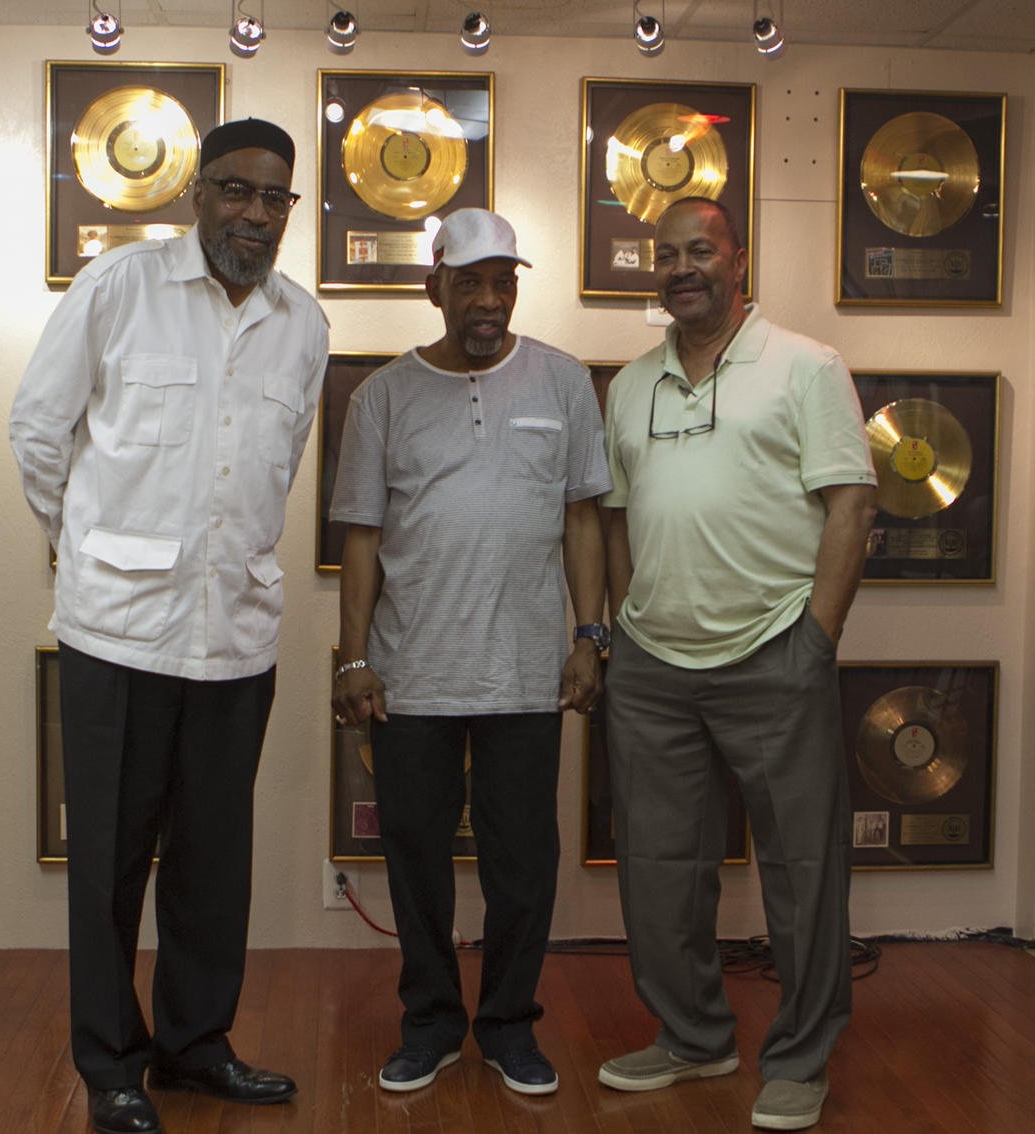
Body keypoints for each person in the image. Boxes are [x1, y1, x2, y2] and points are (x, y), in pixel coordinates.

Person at [9, 118, 328, 1134]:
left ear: (290, 210)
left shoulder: (303, 325)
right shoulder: (118, 291)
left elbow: (273, 469)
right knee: (107, 861)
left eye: (274, 198)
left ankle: (196, 1048)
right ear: (197, 194)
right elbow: (37, 432)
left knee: (210, 862)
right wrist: (88, 548)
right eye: (236, 190)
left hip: (236, 636)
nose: (254, 213)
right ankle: (111, 1065)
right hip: (118, 637)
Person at [597, 197, 877, 1131]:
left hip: (774, 654)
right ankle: (693, 1038)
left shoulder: (806, 367)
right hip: (652, 668)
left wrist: (816, 641)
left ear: (737, 259)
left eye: (700, 251)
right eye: (667, 255)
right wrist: (626, 628)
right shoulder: (631, 384)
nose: (683, 268)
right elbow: (618, 518)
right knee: (658, 867)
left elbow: (851, 509)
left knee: (802, 870)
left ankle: (799, 1058)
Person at [330, 208, 611, 1097]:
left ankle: (508, 1027)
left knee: (522, 860)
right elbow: (364, 540)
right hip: (412, 674)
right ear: (435, 289)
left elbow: (581, 518)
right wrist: (352, 659)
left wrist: (589, 635)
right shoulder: (382, 397)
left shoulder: (563, 382)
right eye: (470, 283)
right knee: (415, 858)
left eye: (504, 283)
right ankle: (431, 1025)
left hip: (528, 673)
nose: (489, 302)